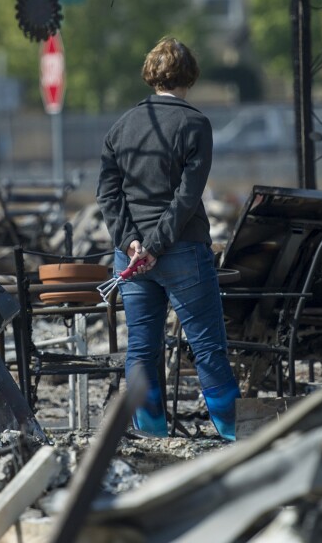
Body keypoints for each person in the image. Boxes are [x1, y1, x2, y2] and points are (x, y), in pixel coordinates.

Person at [95, 36, 240, 440]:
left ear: (150, 76)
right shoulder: (195, 124)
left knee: (141, 350)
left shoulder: (120, 128)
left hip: (132, 260)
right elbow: (187, 197)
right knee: (207, 347)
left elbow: (108, 194)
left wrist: (131, 245)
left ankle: (155, 439)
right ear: (189, 77)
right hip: (182, 252)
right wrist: (156, 246)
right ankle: (232, 438)